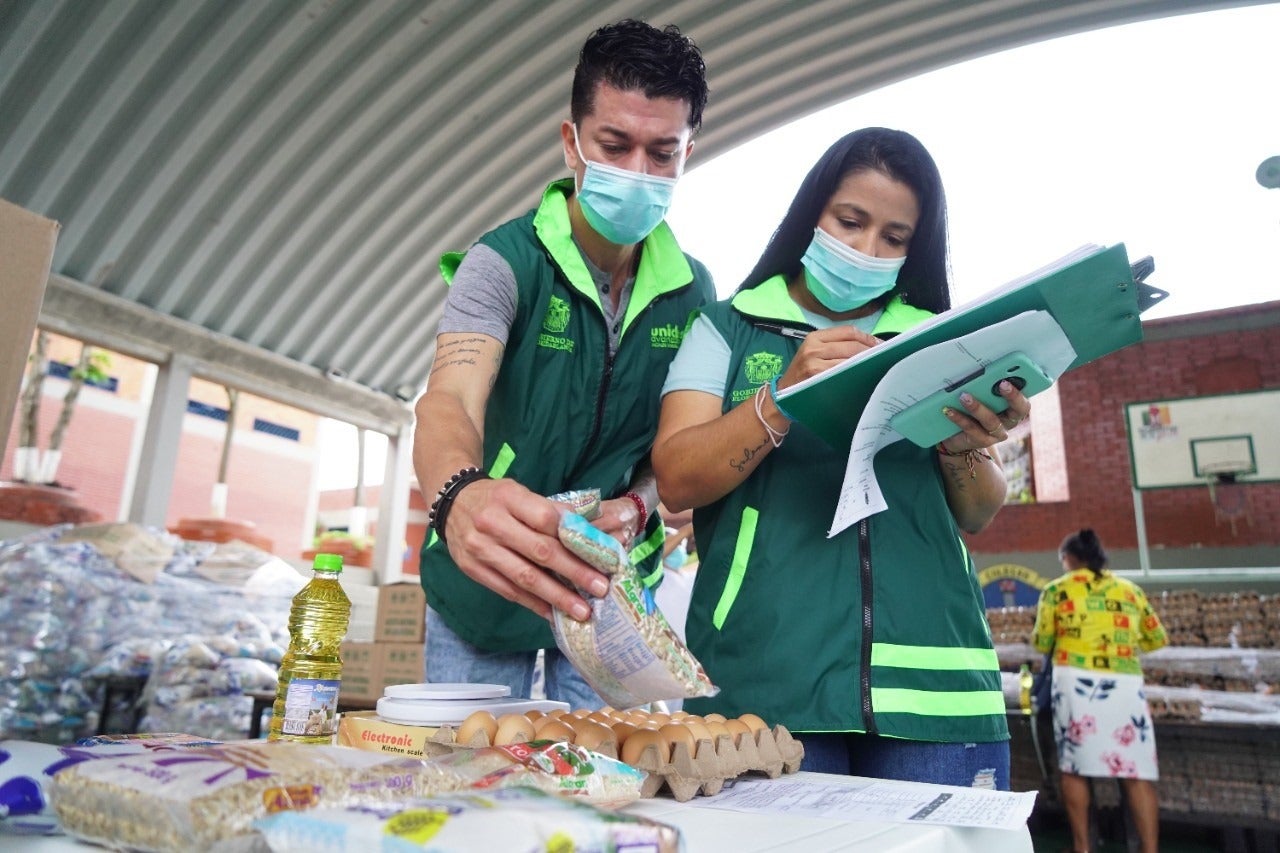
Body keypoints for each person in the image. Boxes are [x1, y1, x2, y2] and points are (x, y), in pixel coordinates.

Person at [651, 127, 1027, 788]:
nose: (866, 249)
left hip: (939, 693)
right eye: (850, 222)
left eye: (894, 237)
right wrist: (780, 396)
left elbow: (979, 510)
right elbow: (678, 478)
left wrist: (962, 445)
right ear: (810, 216)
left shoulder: (941, 338)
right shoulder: (725, 328)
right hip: (769, 685)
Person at [412, 19, 715, 709]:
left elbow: (675, 449)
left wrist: (640, 505)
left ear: (688, 152)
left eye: (662, 153)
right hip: (483, 589)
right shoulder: (505, 262)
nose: (637, 172)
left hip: (608, 599)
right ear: (571, 141)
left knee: (615, 788)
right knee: (474, 783)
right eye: (615, 145)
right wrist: (460, 495)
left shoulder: (695, 293)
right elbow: (449, 401)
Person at [1032, 529, 1167, 853]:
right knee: (1136, 770)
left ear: (1069, 559)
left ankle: (1083, 848)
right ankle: (1150, 849)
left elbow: (1041, 641)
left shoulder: (1056, 591)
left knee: (1075, 767)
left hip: (1075, 684)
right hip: (1123, 684)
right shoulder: (1129, 591)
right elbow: (1155, 639)